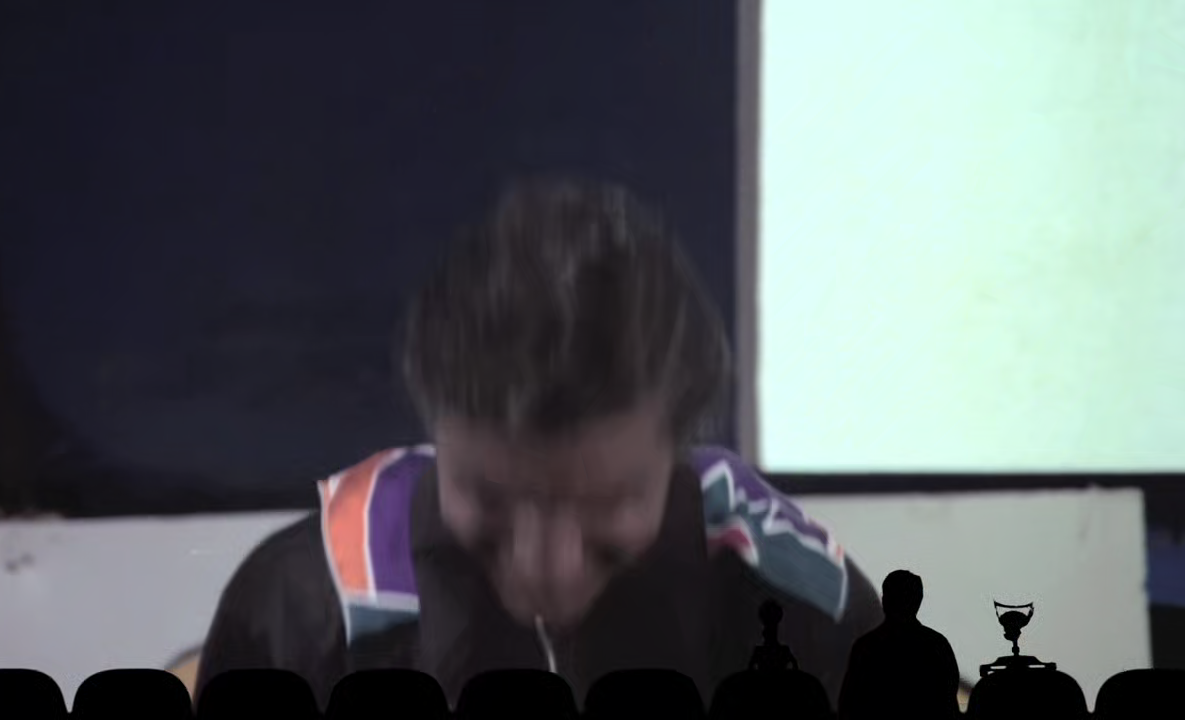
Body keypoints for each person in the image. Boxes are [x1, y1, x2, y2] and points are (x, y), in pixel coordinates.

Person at [195, 179, 884, 709]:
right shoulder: (301, 613)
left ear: (683, 447)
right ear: (434, 431)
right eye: (488, 496)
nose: (545, 571)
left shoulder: (799, 607)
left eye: (608, 502)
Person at [838, 570, 962, 720]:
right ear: (918, 601)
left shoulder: (866, 647)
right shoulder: (937, 645)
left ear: (884, 601)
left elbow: (848, 704)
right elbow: (949, 702)